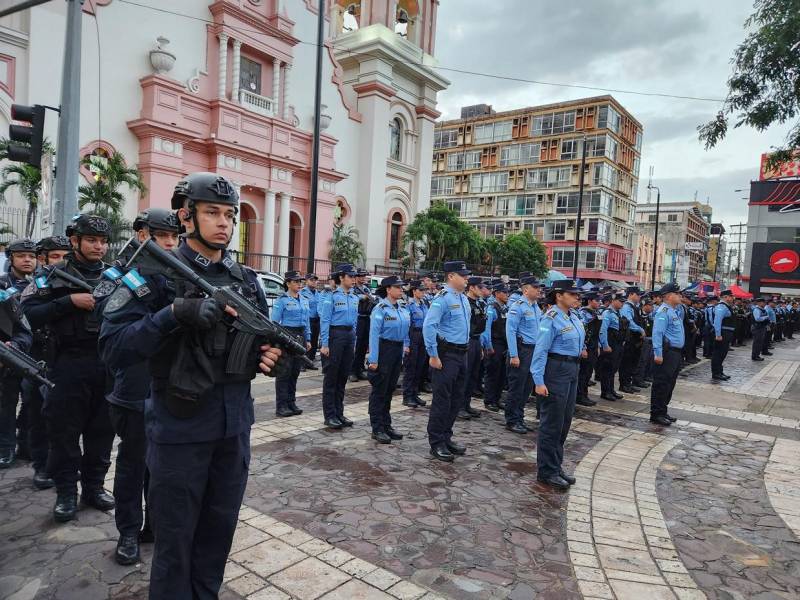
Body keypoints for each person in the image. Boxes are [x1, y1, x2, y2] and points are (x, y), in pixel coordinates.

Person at [99, 172, 283, 598]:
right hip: (179, 430)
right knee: (175, 543)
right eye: (212, 212)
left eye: (230, 214)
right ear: (186, 217)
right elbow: (114, 349)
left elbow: (257, 344)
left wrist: (267, 357)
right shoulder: (154, 275)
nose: (224, 222)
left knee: (217, 537)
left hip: (233, 429)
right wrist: (172, 314)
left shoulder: (245, 280)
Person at [22, 215, 117, 523]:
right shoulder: (50, 276)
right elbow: (27, 315)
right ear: (75, 241)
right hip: (66, 365)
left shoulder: (116, 276)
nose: (99, 246)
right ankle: (66, 493)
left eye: (103, 241)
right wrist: (69, 302)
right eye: (92, 240)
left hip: (105, 363)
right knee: (64, 433)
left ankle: (94, 488)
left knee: (102, 432)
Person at [103, 207, 181, 565]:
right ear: (141, 236)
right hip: (134, 389)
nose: (168, 243)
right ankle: (128, 532)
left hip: (168, 390)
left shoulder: (179, 278)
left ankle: (153, 526)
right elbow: (112, 341)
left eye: (173, 237)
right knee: (134, 465)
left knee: (161, 467)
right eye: (160, 235)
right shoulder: (126, 279)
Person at [531, 280, 585, 491]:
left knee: (564, 422)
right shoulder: (551, 318)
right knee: (551, 423)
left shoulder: (573, 317)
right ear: (559, 296)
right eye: (572, 294)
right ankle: (546, 471)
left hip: (571, 370)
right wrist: (538, 381)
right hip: (555, 371)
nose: (577, 298)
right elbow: (541, 350)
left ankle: (556, 465)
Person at [423, 260, 471, 462]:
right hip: (447, 355)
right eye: (463, 275)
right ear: (451, 276)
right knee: (442, 400)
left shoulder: (463, 299)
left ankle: (446, 436)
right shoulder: (441, 299)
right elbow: (429, 326)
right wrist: (433, 354)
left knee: (456, 398)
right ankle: (436, 442)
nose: (467, 278)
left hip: (462, 354)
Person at [0, 238, 38, 468]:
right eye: (22, 256)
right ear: (11, 258)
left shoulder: (41, 283)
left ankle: (26, 444)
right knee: (6, 403)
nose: (27, 260)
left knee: (33, 402)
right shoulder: (2, 285)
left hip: (35, 351)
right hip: (10, 352)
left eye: (31, 256)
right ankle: (5, 447)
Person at [367, 275, 410, 444]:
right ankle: (377, 427)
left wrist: (402, 353)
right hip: (383, 349)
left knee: (390, 389)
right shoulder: (380, 309)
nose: (401, 290)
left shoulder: (401, 308)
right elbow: (374, 335)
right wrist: (373, 359)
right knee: (379, 390)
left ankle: (386, 424)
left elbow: (405, 332)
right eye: (397, 287)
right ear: (388, 289)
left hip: (396, 350)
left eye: (401, 287)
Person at [319, 263, 359, 429]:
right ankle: (330, 415)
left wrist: (354, 340)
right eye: (350, 276)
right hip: (335, 336)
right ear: (341, 278)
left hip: (349, 336)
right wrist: (325, 343)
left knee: (342, 376)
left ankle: (339, 412)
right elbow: (325, 320)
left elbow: (355, 322)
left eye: (354, 276)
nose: (353, 279)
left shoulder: (354, 297)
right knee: (332, 377)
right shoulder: (332, 296)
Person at [504, 276, 542, 434]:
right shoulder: (517, 306)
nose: (539, 290)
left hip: (533, 351)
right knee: (516, 388)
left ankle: (519, 417)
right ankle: (512, 420)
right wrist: (514, 354)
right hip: (521, 350)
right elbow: (510, 331)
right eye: (535, 287)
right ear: (526, 289)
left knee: (526, 388)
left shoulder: (535, 307)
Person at [272, 271, 311, 417]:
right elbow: (274, 323)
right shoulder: (282, 300)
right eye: (296, 282)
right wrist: (279, 340)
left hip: (300, 336)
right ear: (288, 283)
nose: (299, 284)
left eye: (300, 281)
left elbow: (306, 322)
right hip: (287, 336)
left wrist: (307, 339)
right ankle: (281, 405)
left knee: (295, 371)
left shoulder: (304, 299)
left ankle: (291, 402)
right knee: (284, 372)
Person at [650, 283, 684, 426]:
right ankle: (656, 414)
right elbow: (657, 333)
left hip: (675, 353)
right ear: (669, 296)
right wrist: (658, 353)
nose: (680, 296)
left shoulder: (673, 310)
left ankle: (663, 411)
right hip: (667, 352)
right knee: (662, 383)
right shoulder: (663, 311)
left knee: (670, 383)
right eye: (677, 294)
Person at [482, 283, 510, 412]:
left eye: (507, 292)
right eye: (504, 292)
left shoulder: (505, 308)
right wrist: (488, 346)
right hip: (495, 343)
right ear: (497, 293)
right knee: (492, 373)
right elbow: (486, 329)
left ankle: (497, 398)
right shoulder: (492, 308)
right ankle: (489, 400)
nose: (507, 295)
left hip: (503, 344)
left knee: (501, 374)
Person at [461, 277, 487, 419]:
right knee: (465, 374)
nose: (482, 290)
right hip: (468, 340)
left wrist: (481, 346)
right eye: (479, 287)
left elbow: (481, 327)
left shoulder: (478, 304)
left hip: (476, 341)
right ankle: (459, 406)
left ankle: (466, 404)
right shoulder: (465, 303)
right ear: (471, 287)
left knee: (473, 375)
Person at [402, 280, 428, 408]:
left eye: (424, 290)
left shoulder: (424, 304)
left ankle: (415, 393)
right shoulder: (409, 305)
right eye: (421, 290)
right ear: (414, 291)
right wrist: (406, 343)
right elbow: (406, 326)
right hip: (413, 335)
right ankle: (407, 396)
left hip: (422, 336)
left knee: (420, 366)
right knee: (411, 367)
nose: (423, 292)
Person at [598, 293, 626, 401]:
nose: (622, 304)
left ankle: (611, 390)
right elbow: (603, 330)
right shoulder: (607, 313)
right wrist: (605, 345)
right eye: (620, 301)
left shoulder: (618, 313)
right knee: (607, 369)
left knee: (614, 368)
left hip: (617, 344)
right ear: (613, 301)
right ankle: (605, 392)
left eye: (623, 302)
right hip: (610, 344)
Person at [619, 287, 646, 393]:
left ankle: (628, 382)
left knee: (633, 362)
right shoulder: (627, 307)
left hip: (636, 339)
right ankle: (624, 384)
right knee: (627, 362)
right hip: (630, 338)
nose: (639, 297)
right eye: (638, 295)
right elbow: (628, 322)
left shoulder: (635, 307)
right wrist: (640, 329)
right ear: (631, 294)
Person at [350, 268, 374, 382]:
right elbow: (353, 298)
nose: (363, 278)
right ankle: (352, 371)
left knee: (364, 346)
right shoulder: (353, 289)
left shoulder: (366, 288)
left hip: (367, 318)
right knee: (357, 346)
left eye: (364, 276)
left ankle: (359, 369)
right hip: (358, 318)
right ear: (356, 277)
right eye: (361, 276)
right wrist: (362, 297)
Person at [577, 291, 600, 407]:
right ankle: (580, 395)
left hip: (594, 346)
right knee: (583, 373)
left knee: (588, 372)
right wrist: (583, 348)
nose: (599, 303)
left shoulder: (595, 313)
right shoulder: (583, 313)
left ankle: (584, 394)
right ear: (590, 301)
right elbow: (583, 332)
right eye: (596, 300)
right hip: (587, 346)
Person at [711, 289, 735, 381]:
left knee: (723, 353)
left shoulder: (726, 306)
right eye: (731, 296)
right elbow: (717, 321)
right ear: (725, 297)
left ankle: (719, 371)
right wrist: (718, 335)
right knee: (718, 354)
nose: (732, 298)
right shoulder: (721, 306)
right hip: (722, 333)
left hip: (726, 333)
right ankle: (716, 373)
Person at [301, 273, 320, 368]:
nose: (314, 282)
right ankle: (303, 363)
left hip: (317, 320)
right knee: (306, 341)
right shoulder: (302, 292)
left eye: (315, 280)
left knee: (314, 341)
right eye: (312, 280)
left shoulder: (318, 293)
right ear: (306, 281)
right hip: (308, 320)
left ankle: (310, 361)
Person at [751, 297, 771, 361]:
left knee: (760, 342)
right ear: (759, 303)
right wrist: (765, 317)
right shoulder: (756, 309)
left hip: (762, 327)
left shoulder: (763, 309)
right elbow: (757, 319)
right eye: (763, 302)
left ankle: (757, 355)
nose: (764, 303)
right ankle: (755, 356)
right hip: (757, 328)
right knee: (757, 342)